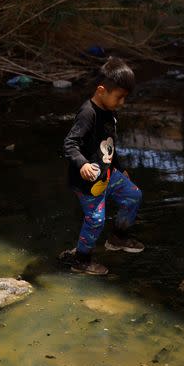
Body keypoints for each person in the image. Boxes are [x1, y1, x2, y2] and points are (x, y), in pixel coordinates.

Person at [59, 57, 144, 275]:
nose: (122, 103)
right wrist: (83, 164)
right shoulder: (87, 113)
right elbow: (70, 144)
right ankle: (81, 259)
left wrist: (118, 165)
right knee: (96, 220)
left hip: (108, 174)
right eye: (119, 97)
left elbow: (108, 145)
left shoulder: (109, 111)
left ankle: (118, 237)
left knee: (133, 195)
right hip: (87, 181)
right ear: (101, 90)